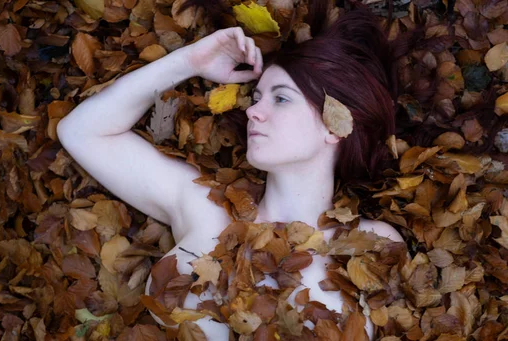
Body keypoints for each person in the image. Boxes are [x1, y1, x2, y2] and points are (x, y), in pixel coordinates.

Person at [57, 0, 411, 339]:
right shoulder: (206, 206)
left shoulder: (372, 246)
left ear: (336, 125)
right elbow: (82, 132)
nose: (253, 112)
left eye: (281, 98)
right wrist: (190, 61)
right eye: (256, 98)